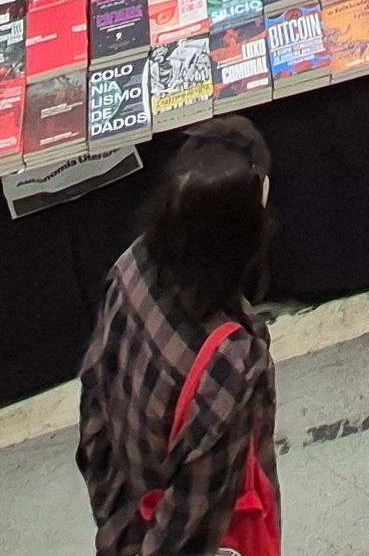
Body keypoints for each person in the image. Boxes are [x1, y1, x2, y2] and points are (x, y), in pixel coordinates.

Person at [77, 122, 280, 556]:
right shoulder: (231, 364)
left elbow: (94, 412)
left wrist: (115, 528)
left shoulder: (130, 266)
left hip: (126, 522)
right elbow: (191, 525)